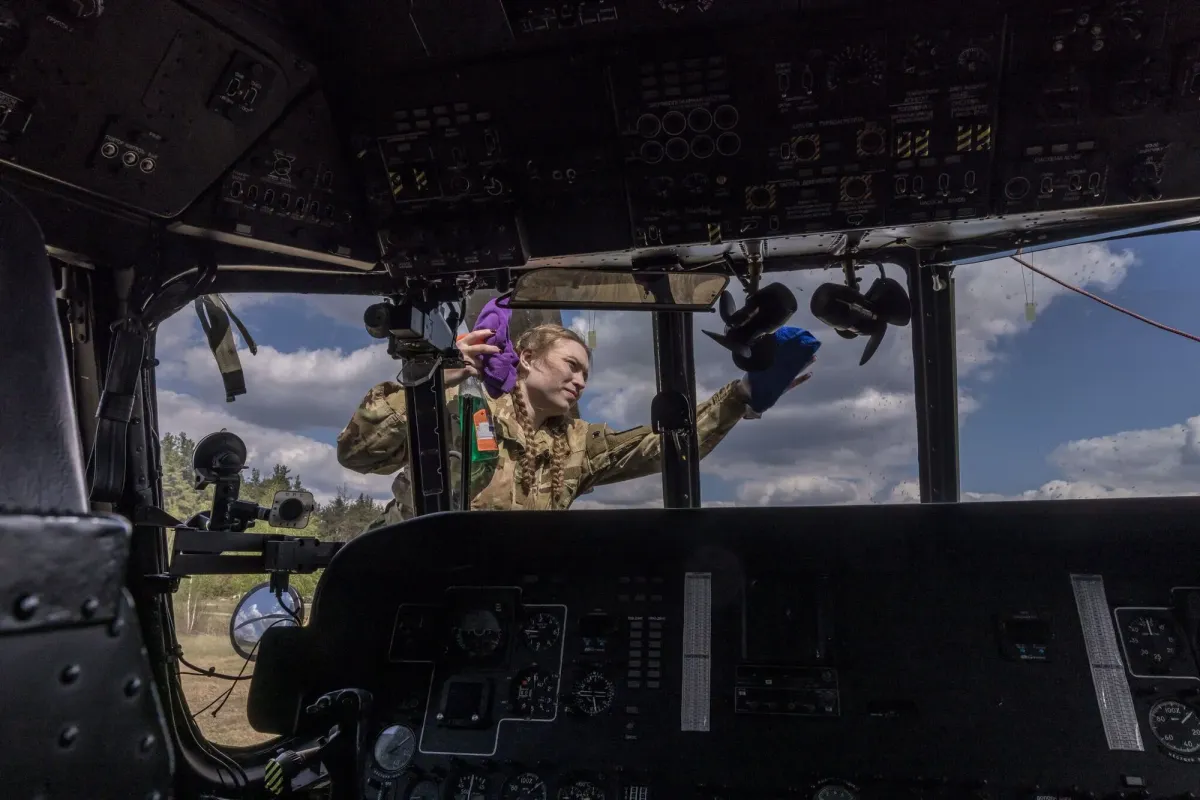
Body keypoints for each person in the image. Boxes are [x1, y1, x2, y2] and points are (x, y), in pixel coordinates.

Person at [337, 318, 815, 528]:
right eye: (571, 365)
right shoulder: (459, 408)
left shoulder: (578, 444)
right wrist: (427, 378)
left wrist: (741, 396)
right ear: (527, 358)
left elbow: (663, 445)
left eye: (586, 372)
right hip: (409, 577)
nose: (581, 381)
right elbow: (358, 454)